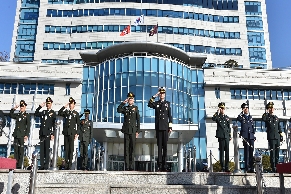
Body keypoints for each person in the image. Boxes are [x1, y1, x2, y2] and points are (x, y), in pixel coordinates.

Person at [148, 87, 172, 172]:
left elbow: (170, 116)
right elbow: (149, 104)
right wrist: (155, 95)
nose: (162, 95)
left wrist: (170, 127)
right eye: (160, 94)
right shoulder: (156, 103)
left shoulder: (167, 104)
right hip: (158, 128)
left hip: (165, 128)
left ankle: (164, 165)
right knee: (159, 147)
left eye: (163, 93)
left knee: (165, 147)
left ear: (165, 95)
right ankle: (159, 165)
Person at [117, 92, 140, 171]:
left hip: (133, 131)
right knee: (126, 149)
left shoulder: (135, 108)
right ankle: (126, 166)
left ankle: (131, 166)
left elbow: (138, 120)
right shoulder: (125, 108)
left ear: (133, 100)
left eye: (132, 99)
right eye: (129, 99)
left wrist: (138, 131)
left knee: (132, 149)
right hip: (126, 131)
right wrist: (123, 103)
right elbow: (118, 110)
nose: (130, 100)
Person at [34, 97, 56, 170]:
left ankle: (46, 165)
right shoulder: (43, 112)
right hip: (42, 133)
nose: (47, 105)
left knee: (47, 150)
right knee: (42, 150)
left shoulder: (53, 113)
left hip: (48, 134)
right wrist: (40, 106)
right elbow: (36, 113)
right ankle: (42, 165)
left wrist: (53, 134)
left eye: (49, 103)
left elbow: (54, 124)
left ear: (51, 104)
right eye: (47, 103)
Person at [58, 97, 80, 170]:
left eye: (72, 104)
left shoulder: (76, 113)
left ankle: (70, 164)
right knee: (66, 149)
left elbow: (78, 125)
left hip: (72, 133)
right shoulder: (66, 112)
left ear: (74, 105)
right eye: (70, 104)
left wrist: (77, 133)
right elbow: (59, 112)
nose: (70, 105)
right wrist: (65, 106)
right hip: (66, 133)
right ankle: (66, 164)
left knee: (71, 149)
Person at [262, 102, 283, 173]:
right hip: (271, 137)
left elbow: (279, 127)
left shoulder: (276, 117)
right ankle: (273, 167)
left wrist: (281, 135)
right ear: (268, 109)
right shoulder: (267, 117)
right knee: (272, 153)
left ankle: (277, 166)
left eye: (272, 108)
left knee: (277, 152)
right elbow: (263, 118)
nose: (272, 109)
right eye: (270, 108)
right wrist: (266, 112)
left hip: (277, 137)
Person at [9, 100, 31, 169]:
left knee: (21, 151)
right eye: (21, 106)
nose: (21, 108)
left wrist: (26, 135)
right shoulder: (18, 115)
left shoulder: (27, 115)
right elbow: (11, 115)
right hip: (16, 135)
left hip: (22, 135)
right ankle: (15, 165)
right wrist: (14, 108)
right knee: (16, 151)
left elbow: (28, 126)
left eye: (23, 106)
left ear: (25, 107)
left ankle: (19, 166)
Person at [212, 102, 231, 172]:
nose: (222, 110)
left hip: (226, 137)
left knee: (227, 153)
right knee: (222, 153)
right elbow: (213, 118)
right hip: (221, 137)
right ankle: (222, 167)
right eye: (221, 108)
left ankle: (227, 167)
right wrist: (217, 112)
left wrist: (230, 135)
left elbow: (229, 127)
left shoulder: (227, 118)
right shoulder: (218, 117)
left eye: (223, 108)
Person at [237, 103, 256, 173]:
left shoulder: (250, 117)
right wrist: (242, 112)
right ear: (243, 109)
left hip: (251, 136)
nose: (246, 109)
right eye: (245, 108)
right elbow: (238, 117)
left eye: (247, 107)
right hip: (245, 137)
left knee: (251, 152)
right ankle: (247, 167)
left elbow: (252, 127)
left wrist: (253, 136)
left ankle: (251, 167)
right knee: (246, 152)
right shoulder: (242, 117)